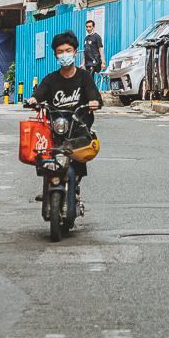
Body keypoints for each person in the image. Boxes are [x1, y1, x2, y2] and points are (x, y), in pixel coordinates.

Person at [32, 31, 103, 224]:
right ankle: (48, 183)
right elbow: (39, 94)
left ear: (75, 52)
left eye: (68, 50)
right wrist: (34, 100)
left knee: (80, 153)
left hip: (78, 128)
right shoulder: (51, 79)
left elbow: (94, 95)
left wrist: (94, 102)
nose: (65, 54)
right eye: (60, 51)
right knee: (44, 152)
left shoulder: (84, 77)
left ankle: (75, 185)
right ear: (55, 55)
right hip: (56, 128)